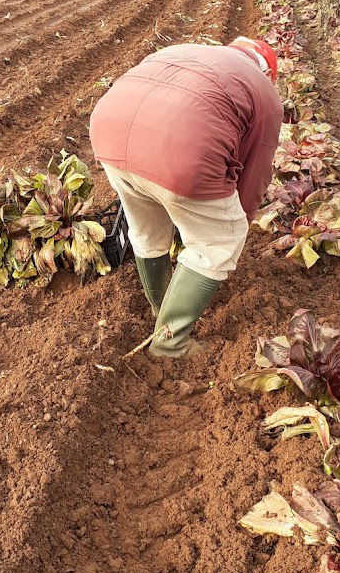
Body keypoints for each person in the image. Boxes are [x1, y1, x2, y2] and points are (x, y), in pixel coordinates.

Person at [89, 36, 283, 358]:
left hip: (109, 134)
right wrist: (235, 224)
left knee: (146, 229)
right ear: (267, 73)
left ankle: (160, 306)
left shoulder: (181, 50)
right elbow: (253, 178)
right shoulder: (265, 93)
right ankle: (170, 342)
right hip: (181, 153)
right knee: (218, 242)